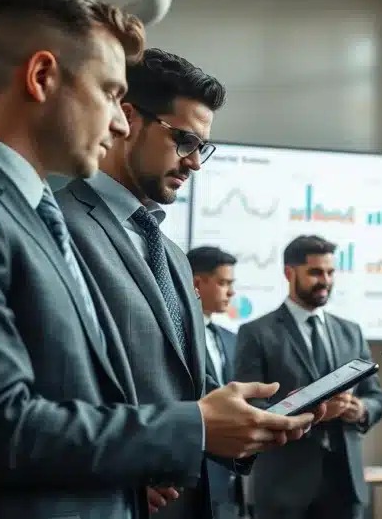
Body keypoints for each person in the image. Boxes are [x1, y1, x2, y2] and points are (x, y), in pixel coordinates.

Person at [0, 0, 312, 519]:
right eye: (111, 94)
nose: (117, 121)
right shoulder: (23, 216)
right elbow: (3, 425)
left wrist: (227, 426)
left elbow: (79, 400)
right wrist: (184, 431)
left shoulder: (41, 217)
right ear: (42, 76)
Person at [54, 47, 253, 519]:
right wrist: (121, 472)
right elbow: (54, 392)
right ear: (126, 119)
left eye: (202, 147)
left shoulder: (176, 258)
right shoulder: (55, 226)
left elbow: (194, 393)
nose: (195, 162)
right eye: (184, 141)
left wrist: (249, 428)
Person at [236, 235, 382, 519]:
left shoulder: (350, 331)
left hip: (346, 484)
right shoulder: (256, 333)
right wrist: (311, 412)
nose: (326, 280)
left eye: (330, 272)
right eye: (316, 272)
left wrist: (361, 410)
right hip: (285, 486)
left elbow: (376, 396)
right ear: (289, 273)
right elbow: (251, 410)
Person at [188, 245, 245, 519]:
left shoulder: (231, 338)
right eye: (223, 283)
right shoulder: (177, 335)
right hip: (193, 477)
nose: (231, 292)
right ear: (197, 283)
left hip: (231, 480)